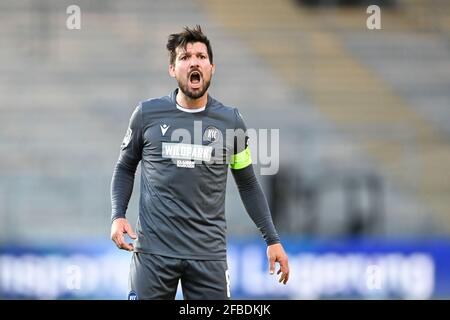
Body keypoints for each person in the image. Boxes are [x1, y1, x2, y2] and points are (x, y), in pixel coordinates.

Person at [110, 25, 289, 300]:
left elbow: (248, 183)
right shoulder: (147, 114)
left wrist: (272, 238)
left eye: (201, 56)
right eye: (185, 57)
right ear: (172, 69)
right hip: (154, 254)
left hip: (208, 256)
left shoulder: (231, 122)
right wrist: (118, 215)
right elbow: (124, 167)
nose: (194, 61)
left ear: (212, 67)